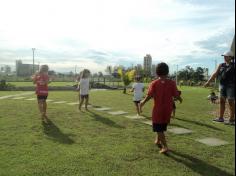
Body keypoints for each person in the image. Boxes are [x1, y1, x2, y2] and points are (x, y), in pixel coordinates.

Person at [140, 62, 182, 154]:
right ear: (167, 72)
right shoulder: (172, 83)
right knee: (162, 126)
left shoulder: (154, 83)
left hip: (158, 110)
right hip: (168, 109)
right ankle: (158, 140)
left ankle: (165, 147)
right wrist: (180, 99)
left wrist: (142, 102)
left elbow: (149, 95)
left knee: (158, 128)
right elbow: (176, 94)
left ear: (157, 72)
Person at [204, 50, 235, 125]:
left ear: (230, 57)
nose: (224, 57)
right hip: (222, 85)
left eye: (226, 56)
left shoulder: (234, 65)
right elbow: (215, 74)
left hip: (231, 85)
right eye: (224, 56)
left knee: (231, 102)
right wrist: (208, 82)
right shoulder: (221, 65)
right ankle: (221, 118)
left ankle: (231, 119)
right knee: (222, 101)